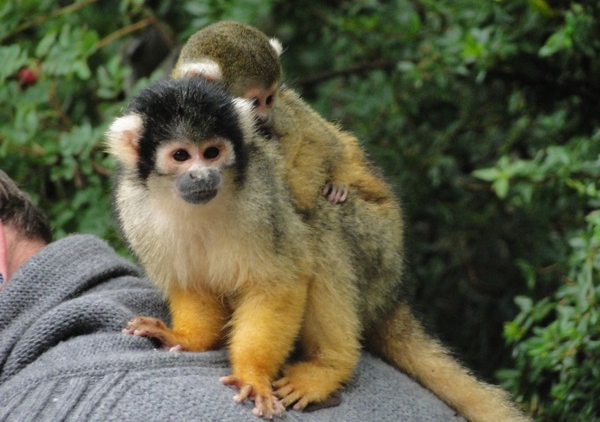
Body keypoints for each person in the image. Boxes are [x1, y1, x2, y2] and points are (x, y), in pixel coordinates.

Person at [0, 169, 463, 421]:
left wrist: (255, 370)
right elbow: (201, 290)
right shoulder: (151, 279)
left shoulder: (55, 398)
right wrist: (195, 337)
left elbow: (277, 284)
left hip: (343, 294)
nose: (198, 175)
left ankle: (326, 361)